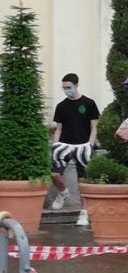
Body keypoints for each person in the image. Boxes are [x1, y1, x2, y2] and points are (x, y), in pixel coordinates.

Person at [50, 73, 99, 222]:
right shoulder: (61, 106)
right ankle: (63, 193)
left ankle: (83, 213)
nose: (66, 90)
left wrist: (90, 145)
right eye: (64, 88)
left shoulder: (89, 103)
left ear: (76, 85)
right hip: (64, 144)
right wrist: (55, 145)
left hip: (83, 145)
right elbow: (58, 129)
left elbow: (94, 127)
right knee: (55, 175)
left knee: (82, 181)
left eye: (69, 87)